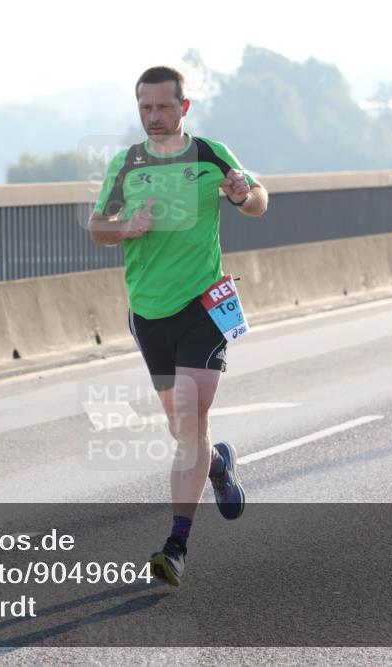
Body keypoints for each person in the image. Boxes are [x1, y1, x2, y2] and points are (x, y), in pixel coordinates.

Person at [88, 66, 269, 586]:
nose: (154, 116)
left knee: (189, 418)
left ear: (184, 107)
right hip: (148, 310)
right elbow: (99, 228)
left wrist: (241, 194)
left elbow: (257, 200)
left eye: (164, 107)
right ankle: (217, 463)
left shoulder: (210, 153)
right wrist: (127, 226)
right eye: (145, 107)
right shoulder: (127, 163)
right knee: (182, 429)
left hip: (204, 306)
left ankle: (176, 545)